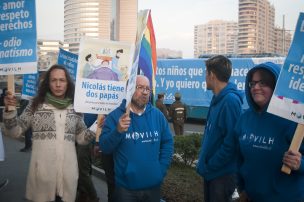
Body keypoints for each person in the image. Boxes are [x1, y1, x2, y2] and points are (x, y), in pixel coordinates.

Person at [3, 64, 96, 202]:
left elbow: (82, 138)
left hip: (67, 177)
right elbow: (15, 132)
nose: (58, 84)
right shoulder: (35, 106)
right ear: (48, 83)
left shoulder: (75, 109)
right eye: (54, 80)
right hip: (42, 177)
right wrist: (10, 111)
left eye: (62, 80)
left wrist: (95, 128)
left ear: (68, 83)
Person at [234, 62, 304, 202]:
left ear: (276, 86)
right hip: (251, 197)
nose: (256, 88)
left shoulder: (292, 120)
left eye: (263, 83)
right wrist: (242, 188)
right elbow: (238, 158)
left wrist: (300, 164)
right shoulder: (244, 118)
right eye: (252, 83)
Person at [99, 75, 174, 202]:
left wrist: (160, 170)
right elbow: (105, 147)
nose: (145, 92)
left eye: (147, 89)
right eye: (140, 87)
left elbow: (168, 143)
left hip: (153, 187)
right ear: (129, 89)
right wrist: (117, 131)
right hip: (126, 190)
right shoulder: (115, 117)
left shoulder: (158, 116)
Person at [196, 55, 243, 202]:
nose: (205, 77)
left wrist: (210, 165)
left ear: (212, 75)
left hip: (221, 176)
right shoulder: (216, 98)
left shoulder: (230, 101)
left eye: (206, 73)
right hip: (212, 173)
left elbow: (231, 143)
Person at [75, 113, 100, 202]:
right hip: (73, 135)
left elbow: (101, 118)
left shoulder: (94, 101)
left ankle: (92, 196)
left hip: (87, 136)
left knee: (83, 170)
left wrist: (97, 143)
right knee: (76, 168)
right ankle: (82, 193)